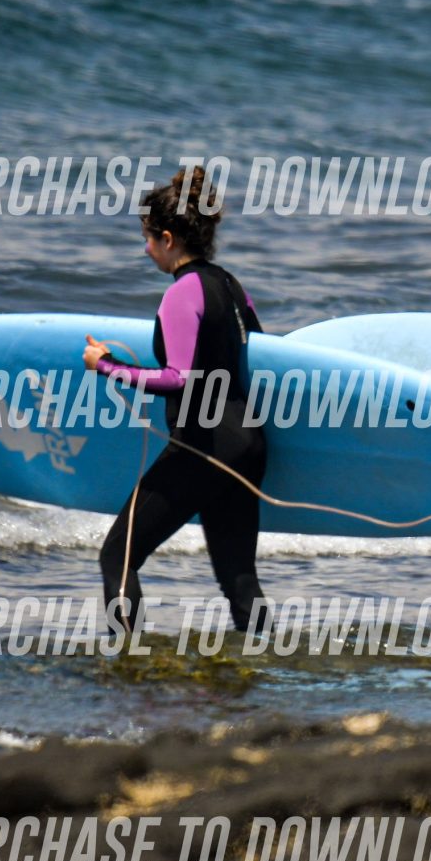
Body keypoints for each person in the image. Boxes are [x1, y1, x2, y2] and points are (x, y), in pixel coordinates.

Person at [83, 169, 267, 638]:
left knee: (117, 556)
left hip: (203, 447)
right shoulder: (233, 286)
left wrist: (106, 366)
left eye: (148, 238)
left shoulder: (182, 292)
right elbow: (261, 357)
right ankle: (266, 665)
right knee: (239, 578)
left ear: (168, 238)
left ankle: (127, 659)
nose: (145, 249)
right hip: (247, 444)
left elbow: (177, 379)